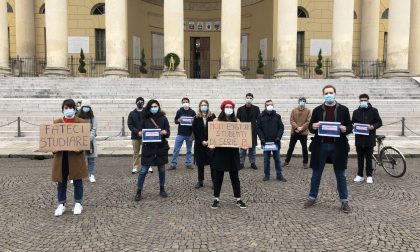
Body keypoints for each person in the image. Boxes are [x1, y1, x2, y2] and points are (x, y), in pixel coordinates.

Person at [304, 85, 353, 213]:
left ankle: (344, 201)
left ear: (335, 93)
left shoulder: (343, 109)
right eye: (326, 93)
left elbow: (349, 126)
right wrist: (313, 126)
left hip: (338, 146)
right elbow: (310, 127)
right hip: (320, 146)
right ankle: (312, 197)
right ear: (323, 95)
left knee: (340, 174)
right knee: (316, 174)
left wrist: (345, 129)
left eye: (330, 92)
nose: (328, 95)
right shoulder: (317, 110)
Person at [52, 99, 88, 216]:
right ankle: (61, 204)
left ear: (74, 109)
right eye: (65, 108)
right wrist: (54, 149)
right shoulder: (57, 122)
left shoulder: (81, 122)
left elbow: (84, 141)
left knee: (77, 180)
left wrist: (80, 147)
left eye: (70, 108)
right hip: (61, 156)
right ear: (63, 109)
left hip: (75, 156)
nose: (67, 110)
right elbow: (52, 140)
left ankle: (78, 203)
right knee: (61, 181)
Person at [209, 100, 247, 209]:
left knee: (235, 177)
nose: (229, 108)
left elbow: (241, 136)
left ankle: (238, 199)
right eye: (227, 106)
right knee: (218, 177)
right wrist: (211, 143)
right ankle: (216, 199)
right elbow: (213, 136)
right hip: (220, 152)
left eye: (231, 107)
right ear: (223, 108)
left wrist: (244, 144)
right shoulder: (216, 121)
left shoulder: (237, 121)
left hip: (232, 152)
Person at [134, 99, 170, 201]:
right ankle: (139, 191)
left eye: (156, 106)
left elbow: (168, 132)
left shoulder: (163, 118)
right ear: (149, 108)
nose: (154, 108)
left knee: (162, 169)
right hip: (148, 148)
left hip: (160, 148)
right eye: (152, 107)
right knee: (143, 170)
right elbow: (140, 131)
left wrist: (164, 132)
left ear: (158, 107)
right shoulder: (145, 118)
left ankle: (162, 189)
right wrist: (139, 133)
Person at [352, 94, 382, 184]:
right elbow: (352, 122)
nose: (363, 102)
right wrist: (353, 125)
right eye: (361, 100)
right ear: (359, 101)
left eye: (365, 100)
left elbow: (379, 122)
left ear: (368, 100)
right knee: (360, 159)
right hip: (359, 139)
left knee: (369, 159)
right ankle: (360, 175)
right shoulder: (356, 112)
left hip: (369, 139)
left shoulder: (374, 111)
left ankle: (369, 176)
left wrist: (373, 126)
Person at [256, 100, 286, 182]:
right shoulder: (260, 116)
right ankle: (266, 175)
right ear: (265, 106)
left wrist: (278, 137)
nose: (270, 106)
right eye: (268, 105)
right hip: (265, 142)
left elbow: (281, 127)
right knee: (266, 159)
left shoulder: (277, 116)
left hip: (275, 141)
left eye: (271, 105)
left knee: (277, 159)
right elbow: (258, 128)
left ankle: (279, 175)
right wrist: (261, 138)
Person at [192, 100, 216, 189]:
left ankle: (214, 181)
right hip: (199, 143)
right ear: (199, 106)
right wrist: (202, 140)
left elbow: (216, 129)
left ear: (208, 106)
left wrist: (210, 140)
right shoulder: (196, 117)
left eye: (205, 105)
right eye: (202, 105)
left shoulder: (212, 116)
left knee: (212, 163)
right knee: (200, 163)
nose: (203, 106)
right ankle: (200, 181)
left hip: (211, 143)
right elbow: (195, 131)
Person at [169, 97, 196, 170]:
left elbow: (196, 122)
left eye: (186, 102)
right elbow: (175, 121)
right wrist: (178, 120)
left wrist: (194, 121)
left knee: (189, 150)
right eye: (184, 102)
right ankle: (173, 164)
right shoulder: (179, 111)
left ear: (189, 102)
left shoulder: (192, 112)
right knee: (176, 149)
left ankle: (188, 163)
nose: (185, 103)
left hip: (189, 134)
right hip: (180, 133)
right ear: (182, 103)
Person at [284, 97, 311, 168]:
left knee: (304, 148)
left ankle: (305, 163)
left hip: (303, 133)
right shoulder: (294, 110)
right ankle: (286, 161)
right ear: (298, 102)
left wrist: (302, 128)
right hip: (294, 132)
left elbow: (308, 121)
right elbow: (291, 120)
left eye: (303, 101)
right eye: (301, 101)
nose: (302, 102)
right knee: (291, 148)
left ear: (305, 102)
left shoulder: (308, 111)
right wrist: (297, 127)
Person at [236, 93, 261, 169]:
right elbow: (237, 120)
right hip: (243, 132)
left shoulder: (256, 108)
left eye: (250, 98)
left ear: (252, 99)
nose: (249, 99)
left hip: (252, 131)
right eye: (247, 97)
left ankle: (252, 163)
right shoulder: (240, 109)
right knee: (242, 150)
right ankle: (241, 163)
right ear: (245, 98)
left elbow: (259, 120)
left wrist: (256, 128)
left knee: (252, 149)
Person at [128, 97, 152, 174]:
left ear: (143, 103)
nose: (140, 103)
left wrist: (145, 131)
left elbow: (150, 122)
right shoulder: (132, 113)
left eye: (141, 102)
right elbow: (130, 124)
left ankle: (148, 165)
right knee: (136, 152)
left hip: (145, 135)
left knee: (147, 151)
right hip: (135, 136)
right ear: (136, 103)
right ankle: (135, 167)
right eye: (138, 101)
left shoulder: (147, 112)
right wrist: (137, 131)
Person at [77, 99, 98, 183]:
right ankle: (77, 175)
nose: (86, 108)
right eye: (84, 107)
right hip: (80, 140)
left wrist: (90, 137)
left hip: (90, 141)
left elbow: (94, 128)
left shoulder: (92, 117)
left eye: (87, 107)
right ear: (82, 107)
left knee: (91, 159)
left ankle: (91, 175)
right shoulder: (78, 116)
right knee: (79, 159)